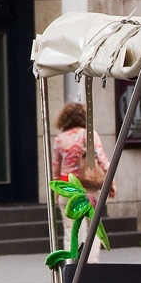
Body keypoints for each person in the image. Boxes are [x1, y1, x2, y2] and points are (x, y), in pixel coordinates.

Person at [52, 102, 114, 263]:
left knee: (69, 228)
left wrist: (57, 192)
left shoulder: (60, 140)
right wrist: (111, 183)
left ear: (64, 119)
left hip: (67, 188)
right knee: (93, 226)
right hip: (88, 188)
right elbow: (103, 161)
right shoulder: (90, 135)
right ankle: (91, 263)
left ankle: (70, 263)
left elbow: (55, 169)